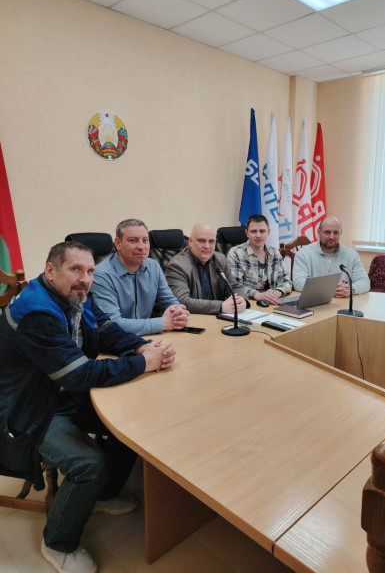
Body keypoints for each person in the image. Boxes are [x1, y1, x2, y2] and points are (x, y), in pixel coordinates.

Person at [0, 241, 176, 573]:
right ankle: (58, 543)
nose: (85, 278)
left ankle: (101, 496)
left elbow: (105, 330)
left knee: (134, 424)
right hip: (27, 409)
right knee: (87, 463)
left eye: (90, 271)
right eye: (75, 269)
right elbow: (79, 374)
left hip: (59, 394)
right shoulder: (37, 313)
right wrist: (144, 364)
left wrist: (141, 348)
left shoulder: (74, 294)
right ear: (50, 271)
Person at [91, 219, 189, 335]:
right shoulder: (101, 275)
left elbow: (168, 300)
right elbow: (112, 324)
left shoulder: (153, 266)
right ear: (118, 243)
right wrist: (162, 323)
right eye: (133, 240)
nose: (141, 246)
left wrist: (178, 313)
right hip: (117, 342)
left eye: (145, 240)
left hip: (150, 338)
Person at [165, 223, 248, 315]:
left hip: (219, 317)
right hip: (193, 318)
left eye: (211, 241)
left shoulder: (220, 259)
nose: (207, 246)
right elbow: (182, 301)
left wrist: (241, 300)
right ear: (190, 241)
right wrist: (221, 306)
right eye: (201, 241)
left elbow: (234, 287)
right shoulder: (178, 265)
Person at [292, 216, 370, 297]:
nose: (332, 237)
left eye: (336, 233)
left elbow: (365, 281)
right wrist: (328, 289)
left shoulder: (352, 254)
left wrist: (351, 289)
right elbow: (298, 283)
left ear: (340, 233)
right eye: (327, 232)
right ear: (318, 232)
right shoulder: (303, 254)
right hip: (315, 301)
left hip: (343, 301)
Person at [227, 214, 292, 305]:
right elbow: (234, 286)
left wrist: (278, 292)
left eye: (262, 231)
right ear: (247, 233)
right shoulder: (236, 253)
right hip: (249, 304)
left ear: (268, 232)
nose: (258, 235)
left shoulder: (275, 253)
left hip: (272, 302)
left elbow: (286, 281)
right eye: (253, 231)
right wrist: (258, 295)